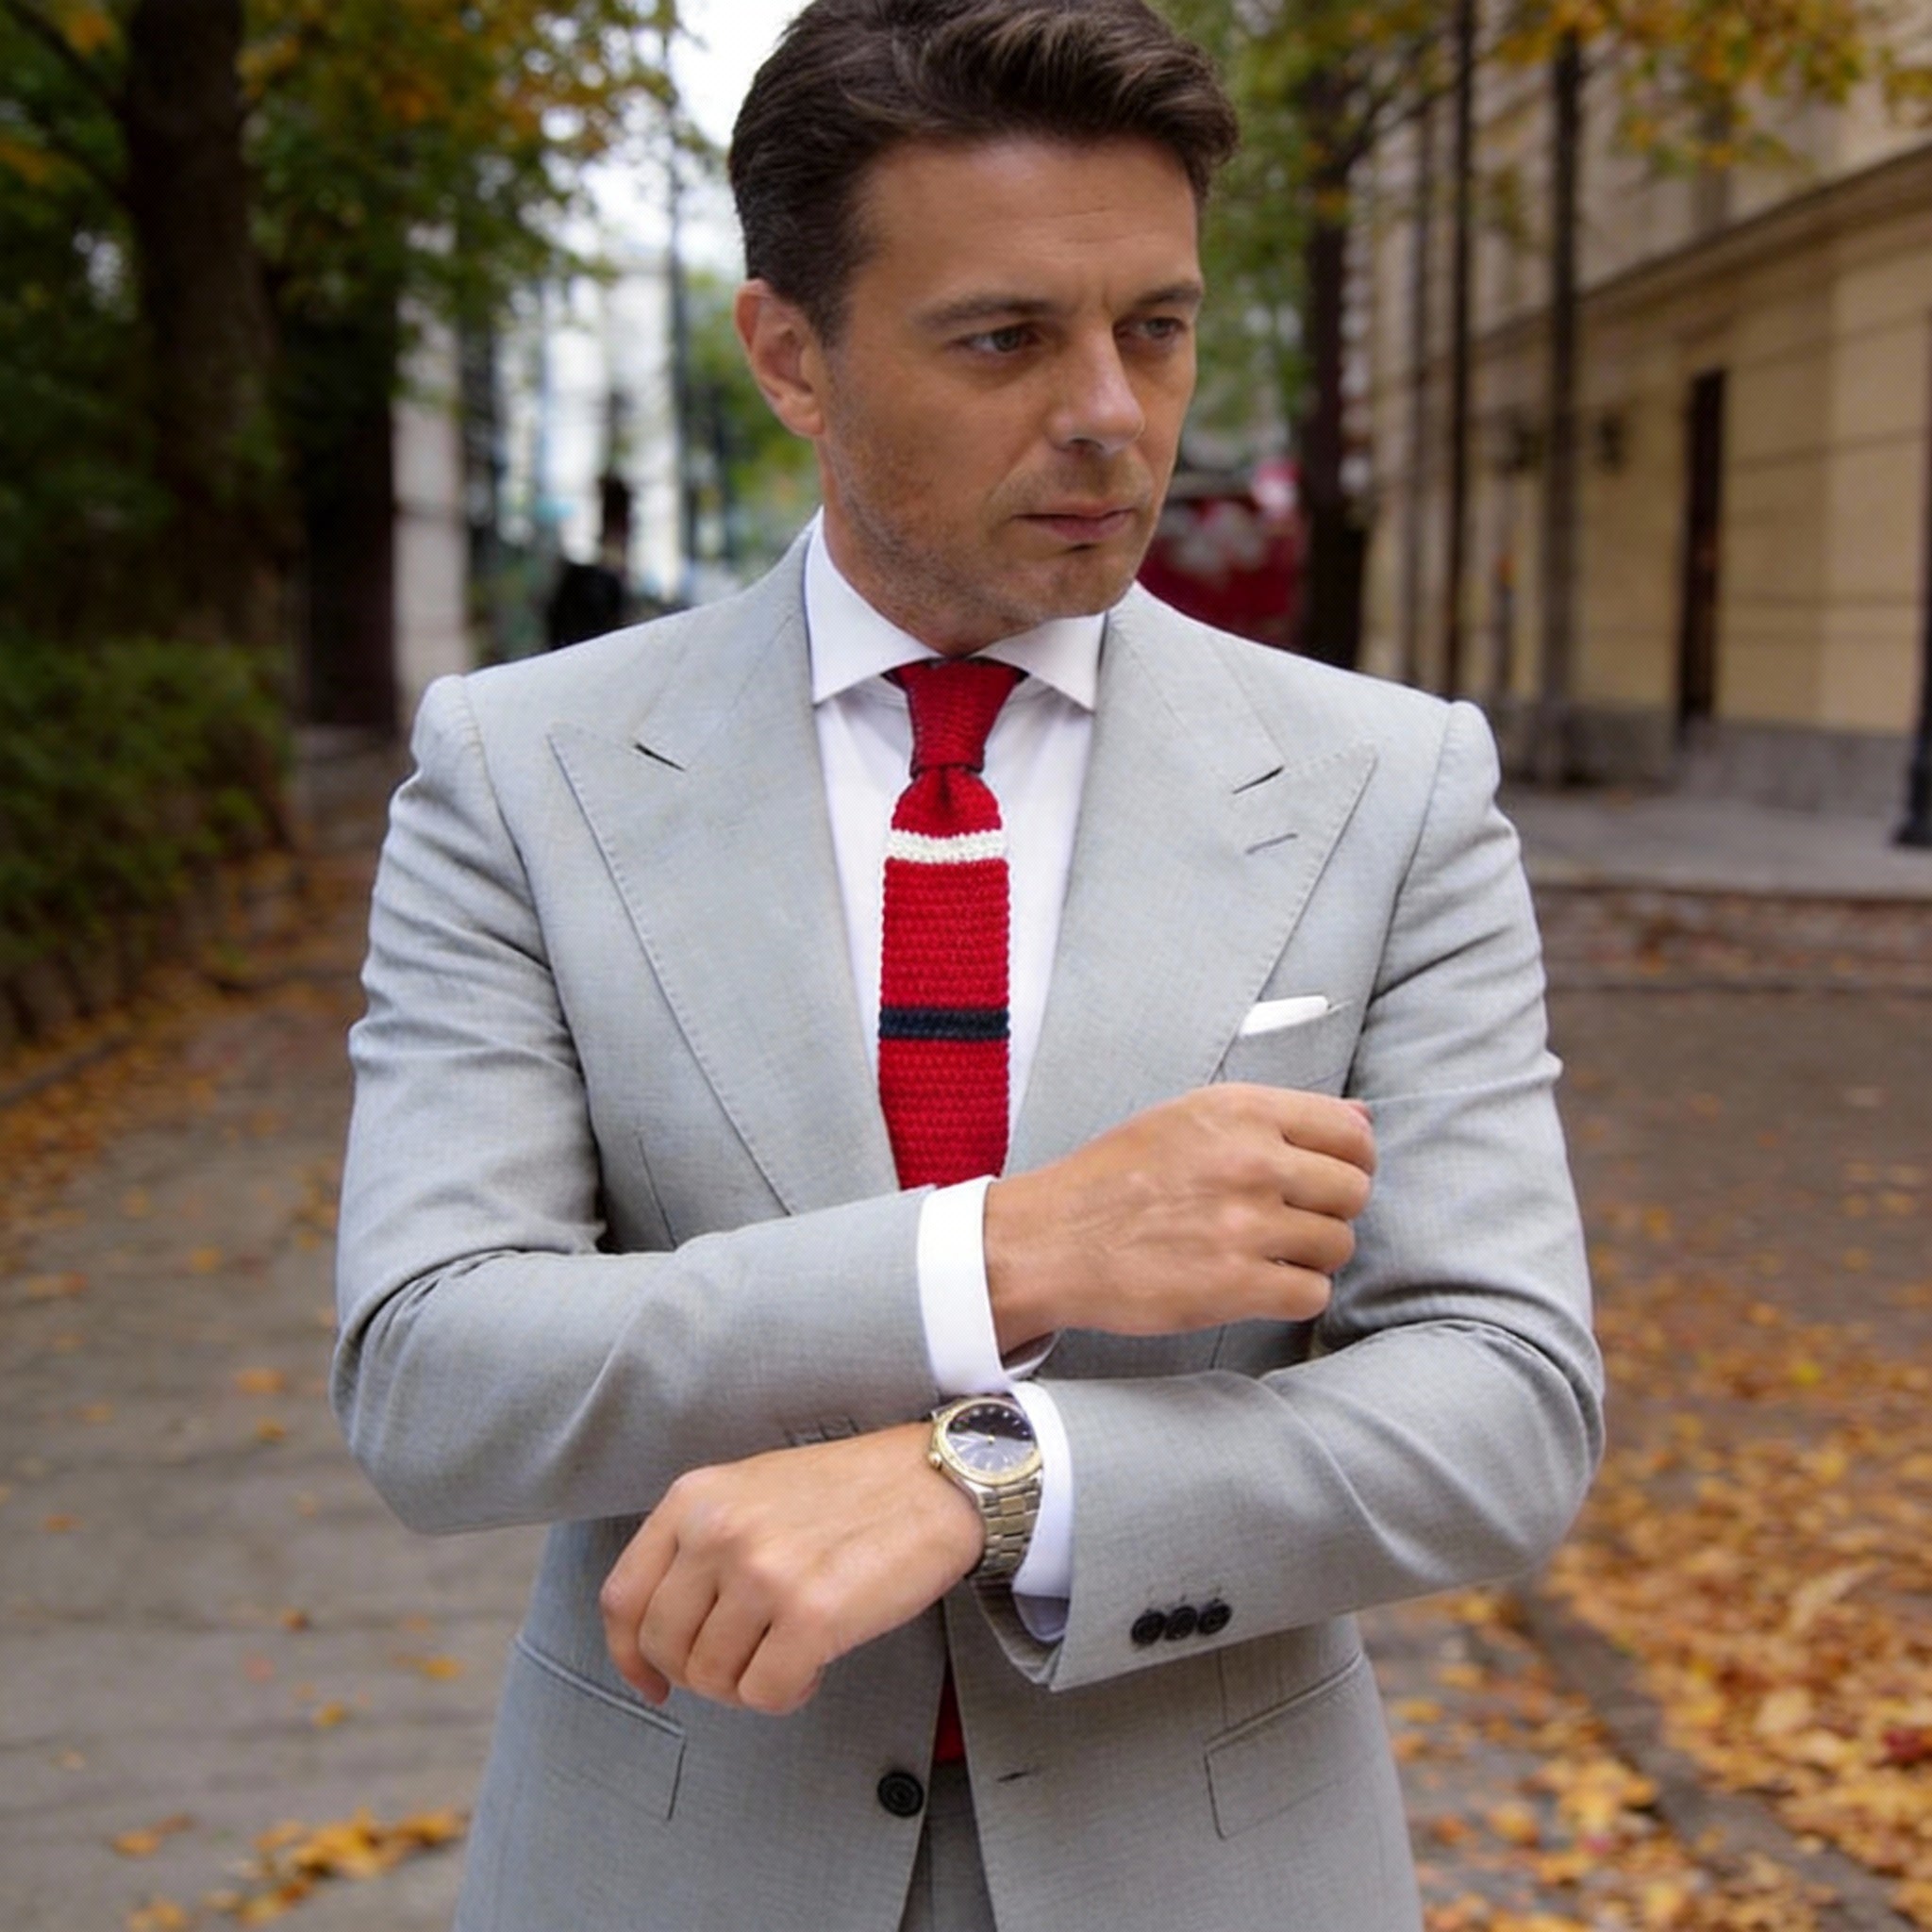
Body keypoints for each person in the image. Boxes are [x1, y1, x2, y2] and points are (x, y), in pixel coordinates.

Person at [332, 2, 1603, 1927]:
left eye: (1153, 328)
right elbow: (434, 1374)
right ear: (790, 353)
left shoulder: (1387, 782)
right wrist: (998, 1257)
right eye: (1004, 338)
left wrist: (987, 1479)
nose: (1110, 411)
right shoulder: (527, 773)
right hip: (670, 1861)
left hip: (1208, 1860)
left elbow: (1504, 1407)